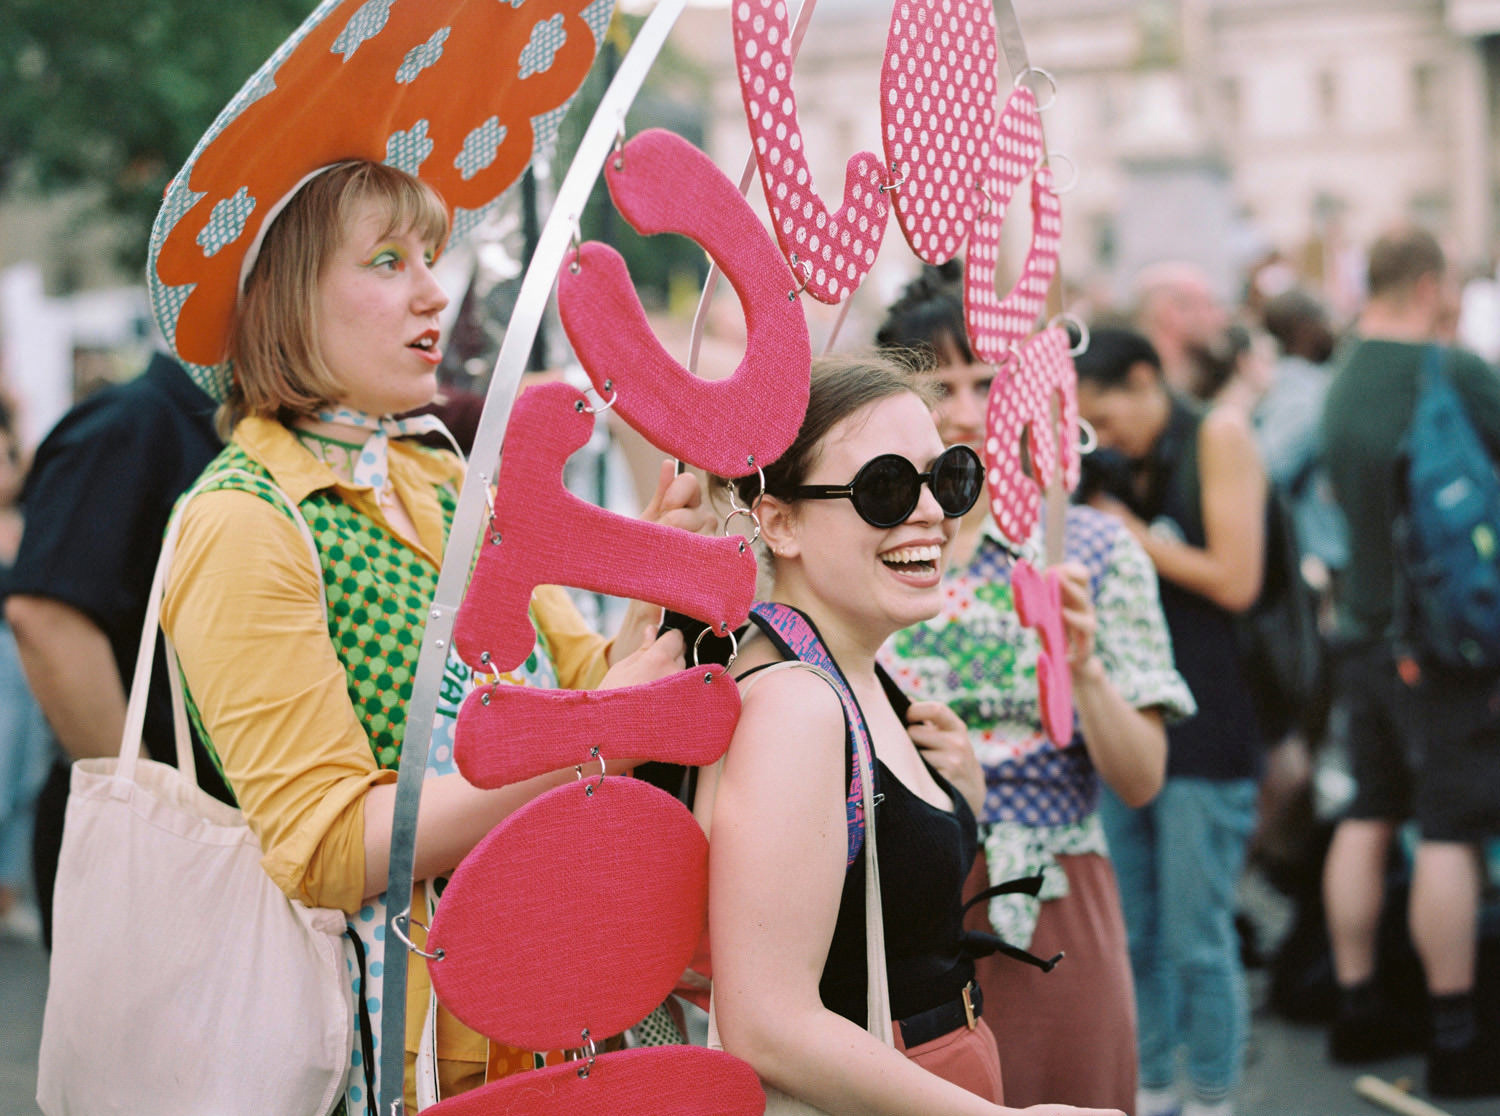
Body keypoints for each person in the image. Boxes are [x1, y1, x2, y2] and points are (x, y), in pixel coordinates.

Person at [157, 160, 699, 1107]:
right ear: (285, 298)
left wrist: (655, 576)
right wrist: (598, 722)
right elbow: (326, 846)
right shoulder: (244, 521)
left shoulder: (441, 481)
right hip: (416, 1039)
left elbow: (582, 679)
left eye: (430, 257)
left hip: (572, 982)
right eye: (386, 260)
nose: (432, 292)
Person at [707, 353, 1122, 1116]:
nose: (931, 511)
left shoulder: (857, 675)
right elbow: (767, 1025)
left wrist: (957, 795)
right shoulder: (797, 708)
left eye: (950, 478)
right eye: (887, 489)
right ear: (780, 521)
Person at [872, 270, 1194, 1112]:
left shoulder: (1089, 549)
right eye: (937, 386)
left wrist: (1080, 668)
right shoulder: (861, 548)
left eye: (987, 381)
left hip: (1053, 893)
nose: (967, 411)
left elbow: (1141, 778)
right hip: (891, 899)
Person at [1319, 224, 1500, 1099]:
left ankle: (1356, 1006)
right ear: (1429, 284)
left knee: (1370, 811)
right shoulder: (1451, 371)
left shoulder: (1342, 378)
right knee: (1453, 833)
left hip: (1359, 631)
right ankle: (1456, 1034)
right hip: (1441, 646)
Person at [1074, 328, 1267, 1116]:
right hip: (1131, 720)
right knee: (1135, 934)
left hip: (1212, 724)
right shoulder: (1126, 463)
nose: (1103, 440)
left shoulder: (1215, 436)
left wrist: (1129, 540)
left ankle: (1215, 1095)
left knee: (1197, 938)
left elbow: (1237, 578)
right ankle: (1152, 1088)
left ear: (1147, 378)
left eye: (1107, 420)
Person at [4, 353, 227, 948]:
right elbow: (47, 615)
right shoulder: (131, 423)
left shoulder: (224, 430)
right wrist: (157, 818)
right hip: (153, 840)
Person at [0, 406, 51, 941]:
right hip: (5, 659)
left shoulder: (28, 521)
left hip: (25, 658)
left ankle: (6, 891)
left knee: (24, 780)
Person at [1132, 262, 1230, 398]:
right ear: (1171, 313)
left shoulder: (1205, 375)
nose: (1221, 317)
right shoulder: (1136, 385)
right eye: (1208, 305)